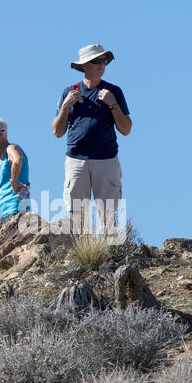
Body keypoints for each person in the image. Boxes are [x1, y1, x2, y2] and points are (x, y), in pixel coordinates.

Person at [51, 44, 131, 240]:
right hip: (76, 160)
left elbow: (126, 129)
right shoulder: (70, 92)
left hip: (106, 159)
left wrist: (112, 104)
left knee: (108, 211)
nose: (101, 65)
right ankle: (83, 254)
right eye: (97, 61)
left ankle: (112, 252)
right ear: (84, 65)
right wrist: (65, 107)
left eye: (104, 61)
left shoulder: (114, 92)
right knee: (78, 213)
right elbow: (57, 132)